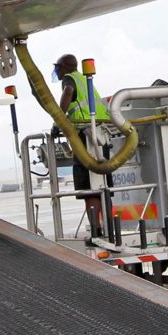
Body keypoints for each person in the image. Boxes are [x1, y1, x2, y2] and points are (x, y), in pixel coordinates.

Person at [54, 54, 110, 238]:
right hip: (100, 135)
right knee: (104, 187)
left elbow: (68, 92)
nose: (57, 71)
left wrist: (58, 122)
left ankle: (96, 230)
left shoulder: (70, 79)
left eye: (58, 67)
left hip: (84, 136)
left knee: (89, 189)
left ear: (65, 67)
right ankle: (109, 228)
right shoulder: (86, 82)